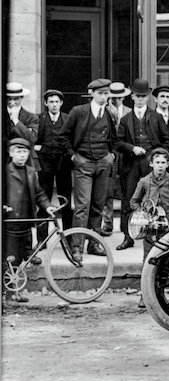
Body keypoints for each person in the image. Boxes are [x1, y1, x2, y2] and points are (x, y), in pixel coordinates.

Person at [60, 78, 118, 261]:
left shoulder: (109, 113)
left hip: (103, 163)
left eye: (106, 93)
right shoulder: (79, 112)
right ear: (91, 93)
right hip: (83, 163)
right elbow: (63, 136)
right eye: (100, 93)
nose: (104, 96)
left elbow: (114, 139)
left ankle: (93, 244)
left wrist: (111, 155)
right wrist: (73, 156)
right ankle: (77, 247)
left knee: (98, 205)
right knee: (82, 206)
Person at [115, 79, 169, 250]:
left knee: (154, 200)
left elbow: (167, 141)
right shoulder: (125, 119)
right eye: (137, 96)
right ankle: (127, 236)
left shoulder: (156, 117)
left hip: (150, 166)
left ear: (148, 97)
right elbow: (118, 142)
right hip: (131, 165)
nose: (140, 99)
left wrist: (156, 157)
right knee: (129, 200)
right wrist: (132, 148)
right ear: (131, 97)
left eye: (143, 96)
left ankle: (153, 236)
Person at [129, 147, 169, 308]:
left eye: (163, 162)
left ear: (168, 164)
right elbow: (133, 201)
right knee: (148, 260)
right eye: (157, 162)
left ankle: (160, 294)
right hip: (150, 229)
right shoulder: (144, 181)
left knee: (165, 261)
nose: (160, 166)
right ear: (151, 164)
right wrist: (143, 215)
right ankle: (145, 294)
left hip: (167, 228)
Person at [2, 138, 57, 302]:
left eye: (25, 152)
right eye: (18, 152)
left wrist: (47, 206)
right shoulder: (5, 172)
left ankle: (15, 292)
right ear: (11, 153)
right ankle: (11, 293)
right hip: (10, 222)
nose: (22, 156)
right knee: (10, 259)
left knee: (18, 259)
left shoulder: (31, 172)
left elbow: (39, 193)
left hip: (26, 221)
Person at [34, 89, 73, 243]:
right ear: (46, 103)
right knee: (44, 200)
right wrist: (40, 148)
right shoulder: (40, 119)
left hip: (63, 164)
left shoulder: (68, 118)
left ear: (61, 103)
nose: (54, 105)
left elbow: (72, 139)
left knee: (65, 200)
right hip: (45, 165)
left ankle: (68, 237)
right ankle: (41, 240)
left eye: (57, 102)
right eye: (51, 102)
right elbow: (33, 139)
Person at [101, 81, 131, 236]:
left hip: (125, 154)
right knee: (107, 190)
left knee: (126, 189)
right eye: (113, 97)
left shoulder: (129, 112)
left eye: (119, 97)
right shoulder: (104, 111)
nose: (116, 100)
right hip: (110, 153)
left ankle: (127, 225)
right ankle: (107, 223)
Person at [4, 82, 39, 168]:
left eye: (16, 99)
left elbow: (32, 138)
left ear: (22, 97)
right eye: (9, 99)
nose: (12, 102)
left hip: (26, 162)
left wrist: (16, 121)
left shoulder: (31, 117)